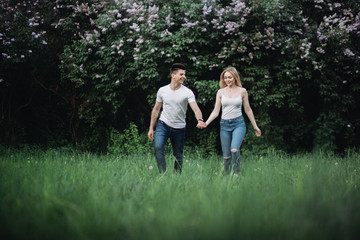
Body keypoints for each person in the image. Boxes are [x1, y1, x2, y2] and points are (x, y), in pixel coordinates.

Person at [199, 67, 261, 175]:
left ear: (235, 77)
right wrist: (206, 123)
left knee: (234, 149)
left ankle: (236, 174)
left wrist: (255, 126)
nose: (227, 80)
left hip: (238, 124)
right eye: (225, 78)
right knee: (226, 155)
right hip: (224, 125)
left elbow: (248, 110)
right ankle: (226, 177)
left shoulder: (242, 91)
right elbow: (215, 111)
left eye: (230, 77)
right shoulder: (220, 92)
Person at [148, 63, 205, 173]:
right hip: (163, 124)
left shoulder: (187, 92)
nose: (184, 77)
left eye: (184, 74)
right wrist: (151, 128)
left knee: (178, 155)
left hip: (179, 127)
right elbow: (156, 110)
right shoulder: (162, 90)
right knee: (158, 147)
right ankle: (162, 175)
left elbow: (196, 109)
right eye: (181, 74)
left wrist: (200, 120)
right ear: (173, 75)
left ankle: (177, 177)